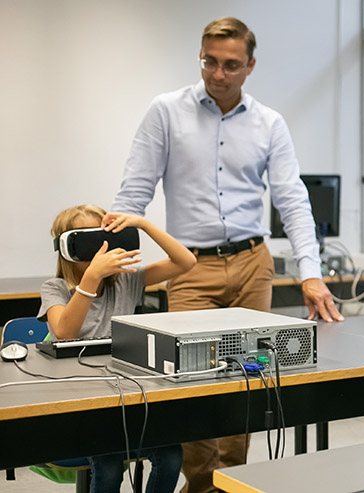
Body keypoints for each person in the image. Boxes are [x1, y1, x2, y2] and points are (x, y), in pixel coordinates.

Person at [110, 17, 343, 492]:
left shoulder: (269, 123)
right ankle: (200, 485)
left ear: (250, 65)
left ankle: (232, 484)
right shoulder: (166, 112)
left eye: (231, 65)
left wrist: (311, 273)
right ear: (201, 56)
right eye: (209, 62)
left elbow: (293, 201)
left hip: (253, 263)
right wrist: (110, 262)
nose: (218, 74)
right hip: (191, 268)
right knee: (194, 387)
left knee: (247, 381)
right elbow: (134, 193)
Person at [38, 204, 196, 492]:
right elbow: (64, 332)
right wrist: (90, 279)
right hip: (84, 403)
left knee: (171, 456)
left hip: (127, 397)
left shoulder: (127, 280)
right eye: (91, 244)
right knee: (109, 467)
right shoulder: (55, 288)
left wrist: (143, 225)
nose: (103, 251)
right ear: (70, 248)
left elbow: (186, 262)